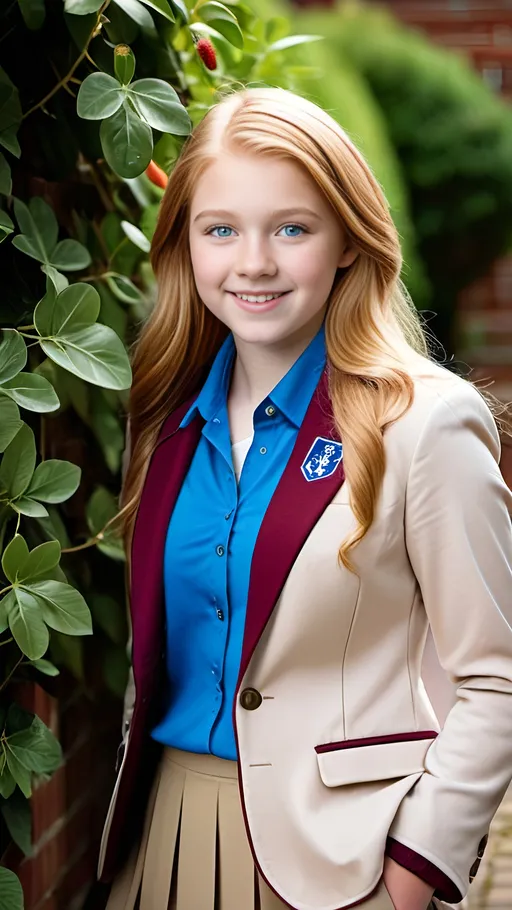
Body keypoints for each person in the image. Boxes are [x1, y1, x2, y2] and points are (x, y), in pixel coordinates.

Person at [97, 87, 512, 910]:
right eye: (221, 229)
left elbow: (498, 678)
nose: (253, 262)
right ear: (185, 242)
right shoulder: (164, 414)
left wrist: (414, 870)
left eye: (291, 228)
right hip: (161, 839)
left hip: (342, 860)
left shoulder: (426, 423)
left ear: (349, 243)